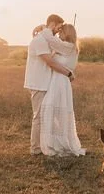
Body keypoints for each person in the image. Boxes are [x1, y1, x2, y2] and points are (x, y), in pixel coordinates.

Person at [23, 14, 75, 156]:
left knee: (46, 116)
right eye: (58, 27)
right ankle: (35, 148)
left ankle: (46, 144)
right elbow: (50, 62)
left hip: (45, 83)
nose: (59, 31)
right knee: (39, 116)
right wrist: (68, 74)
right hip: (38, 83)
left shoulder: (45, 39)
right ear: (52, 23)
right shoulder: (40, 40)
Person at [37, 23, 85, 156]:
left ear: (67, 33)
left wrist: (44, 29)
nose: (58, 34)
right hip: (56, 80)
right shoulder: (64, 47)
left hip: (60, 82)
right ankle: (53, 141)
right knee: (51, 111)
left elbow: (51, 41)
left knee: (51, 109)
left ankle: (57, 142)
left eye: (61, 32)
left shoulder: (68, 47)